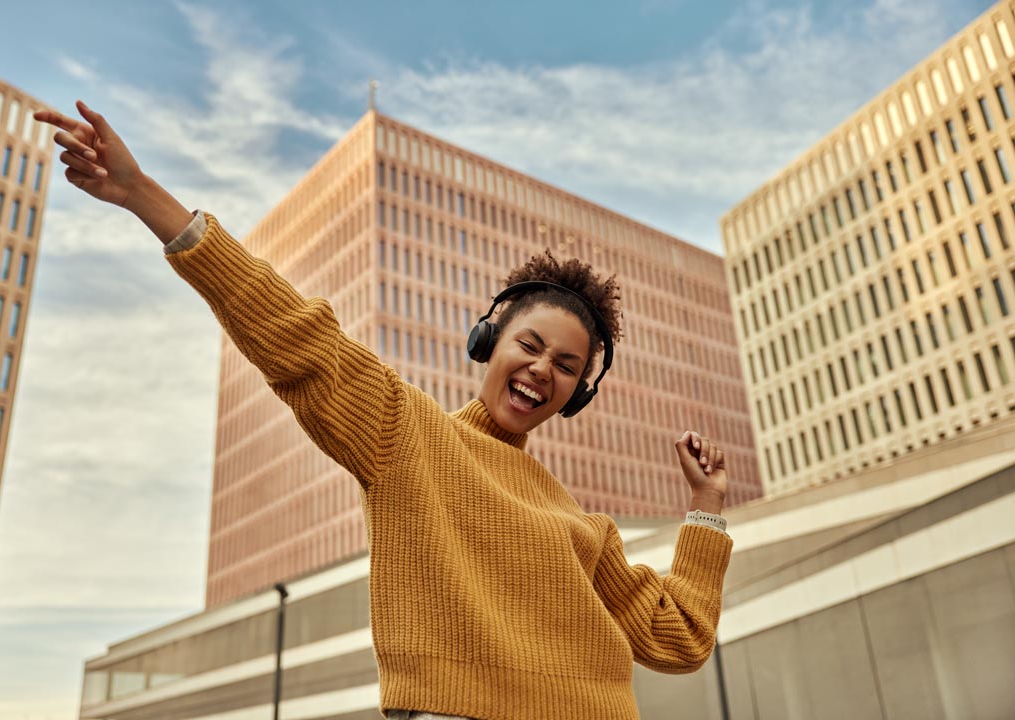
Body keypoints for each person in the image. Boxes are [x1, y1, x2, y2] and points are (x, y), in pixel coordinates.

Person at [36, 101, 733, 720]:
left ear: (577, 393)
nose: (542, 369)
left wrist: (704, 507)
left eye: (567, 366)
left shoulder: (585, 527)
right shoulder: (408, 433)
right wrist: (143, 197)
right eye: (530, 344)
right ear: (488, 342)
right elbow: (297, 337)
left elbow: (679, 639)